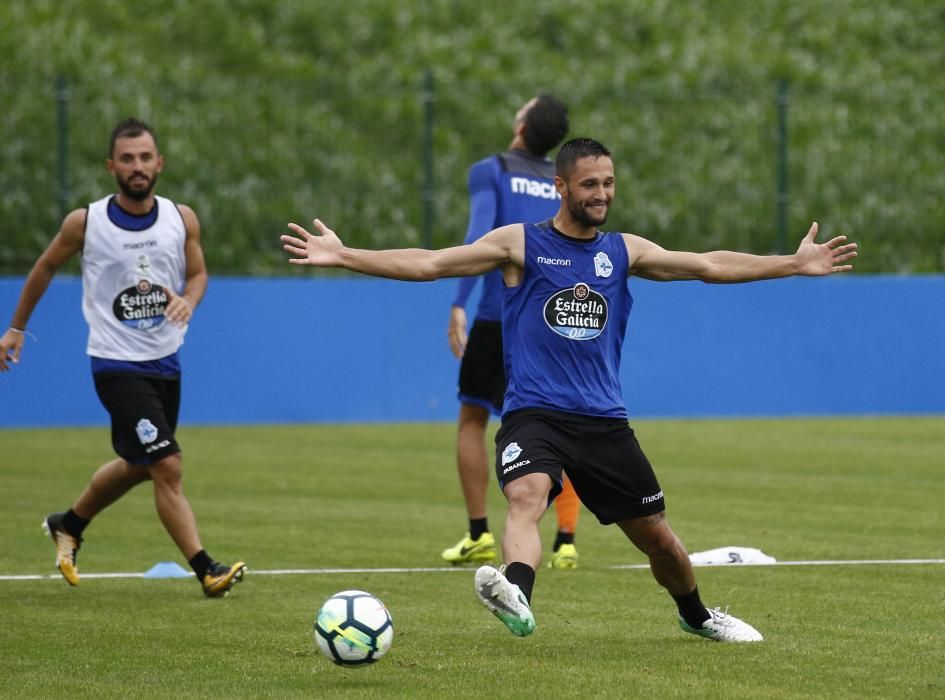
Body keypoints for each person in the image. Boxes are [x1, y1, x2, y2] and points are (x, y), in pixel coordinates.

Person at [280, 137, 857, 642]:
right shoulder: (520, 244)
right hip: (536, 413)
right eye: (589, 184)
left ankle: (699, 616)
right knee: (528, 497)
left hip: (605, 422)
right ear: (561, 187)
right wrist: (344, 254)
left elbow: (707, 264)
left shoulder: (623, 251)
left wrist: (792, 263)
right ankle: (517, 594)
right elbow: (431, 263)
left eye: (608, 183)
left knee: (659, 540)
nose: (601, 193)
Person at [0, 117, 245, 597]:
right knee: (168, 464)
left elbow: (198, 276)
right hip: (115, 363)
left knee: (139, 465)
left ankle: (67, 523)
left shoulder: (182, 218)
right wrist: (15, 328)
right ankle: (207, 569)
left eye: (145, 157)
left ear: (160, 163)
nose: (137, 166)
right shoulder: (86, 222)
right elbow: (46, 267)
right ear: (112, 166)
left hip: (166, 360)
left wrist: (188, 300)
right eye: (127, 158)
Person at [442, 94, 584, 570]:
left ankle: (480, 533)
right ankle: (564, 538)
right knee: (559, 422)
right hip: (552, 320)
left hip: (497, 316)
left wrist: (459, 303)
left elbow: (477, 241)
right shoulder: (563, 181)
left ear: (521, 125)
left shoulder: (493, 169)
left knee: (472, 420)